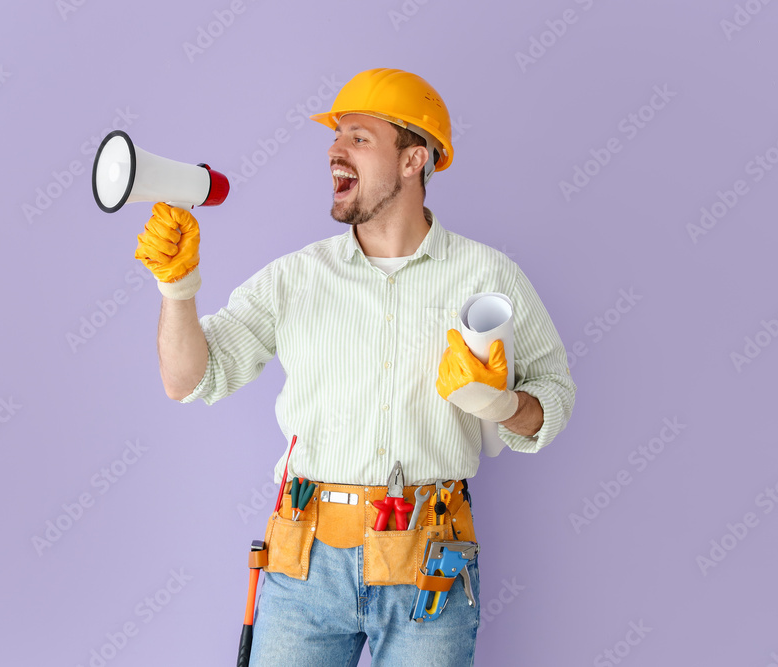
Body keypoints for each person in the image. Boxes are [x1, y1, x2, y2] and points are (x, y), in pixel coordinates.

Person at [134, 68, 576, 666]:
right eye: (335, 137)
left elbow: (554, 398)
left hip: (433, 562)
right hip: (305, 559)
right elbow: (188, 379)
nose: (334, 151)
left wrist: (503, 406)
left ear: (414, 160)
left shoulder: (488, 275)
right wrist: (177, 287)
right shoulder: (295, 277)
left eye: (359, 138)